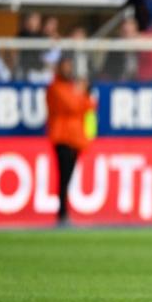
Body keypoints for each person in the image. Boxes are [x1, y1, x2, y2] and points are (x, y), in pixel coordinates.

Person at [46, 55, 97, 226]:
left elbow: (88, 105)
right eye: (65, 67)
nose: (68, 70)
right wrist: (82, 93)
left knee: (67, 178)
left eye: (70, 67)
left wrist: (81, 94)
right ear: (59, 68)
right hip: (62, 138)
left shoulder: (71, 88)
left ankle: (63, 213)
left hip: (74, 139)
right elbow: (73, 105)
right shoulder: (55, 88)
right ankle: (62, 214)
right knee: (64, 178)